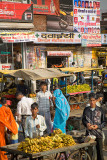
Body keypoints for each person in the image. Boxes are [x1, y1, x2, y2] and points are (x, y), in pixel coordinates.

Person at [82, 93, 106, 160]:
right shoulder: (86, 110)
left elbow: (104, 122)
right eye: (90, 100)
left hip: (98, 134)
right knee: (89, 153)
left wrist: (97, 126)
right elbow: (83, 120)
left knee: (100, 153)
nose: (92, 102)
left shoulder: (100, 110)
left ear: (96, 101)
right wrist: (86, 124)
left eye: (93, 100)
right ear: (89, 101)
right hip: (89, 134)